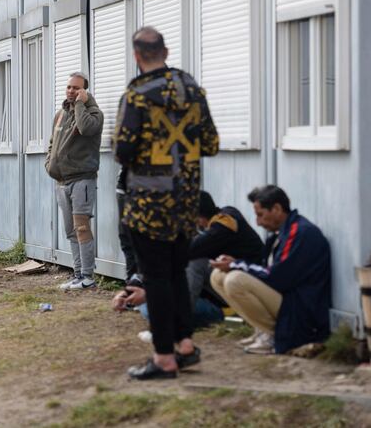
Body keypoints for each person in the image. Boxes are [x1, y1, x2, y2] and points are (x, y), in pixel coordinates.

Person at [114, 26, 220, 380]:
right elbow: (211, 142)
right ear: (167, 51)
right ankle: (185, 345)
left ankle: (163, 358)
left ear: (136, 55)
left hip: (148, 203)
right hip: (187, 201)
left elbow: (124, 150)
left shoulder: (138, 93)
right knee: (176, 273)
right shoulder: (191, 87)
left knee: (157, 279)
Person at [112, 191, 266, 330]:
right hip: (214, 293)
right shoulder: (207, 229)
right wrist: (128, 290)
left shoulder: (224, 223)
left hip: (240, 294)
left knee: (194, 261)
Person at [210, 185, 332, 355]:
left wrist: (236, 265)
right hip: (287, 300)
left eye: (260, 215)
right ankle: (262, 330)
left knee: (235, 280)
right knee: (218, 275)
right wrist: (234, 263)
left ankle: (274, 335)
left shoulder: (300, 233)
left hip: (301, 312)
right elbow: (268, 271)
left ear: (276, 209)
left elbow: (276, 277)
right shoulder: (282, 232)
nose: (258, 222)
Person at [45, 72, 104, 289]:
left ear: (85, 91)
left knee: (82, 228)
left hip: (82, 180)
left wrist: (81, 104)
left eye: (76, 88)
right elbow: (52, 142)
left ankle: (88, 277)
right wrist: (49, 163)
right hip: (61, 182)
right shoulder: (60, 114)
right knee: (70, 231)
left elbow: (86, 127)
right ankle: (78, 274)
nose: (71, 91)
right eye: (69, 87)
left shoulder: (94, 114)